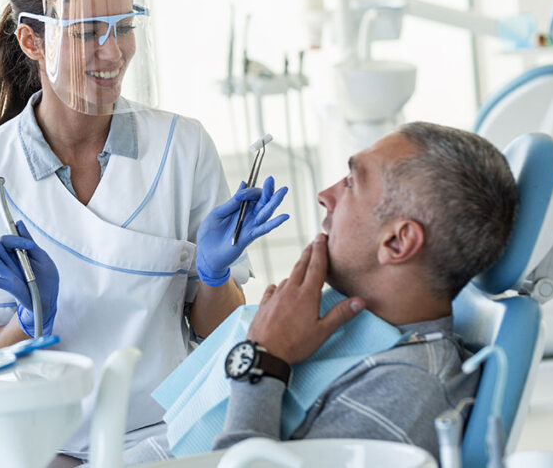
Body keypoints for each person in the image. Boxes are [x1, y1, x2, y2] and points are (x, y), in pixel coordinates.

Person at [0, 0, 289, 460]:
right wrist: (27, 323)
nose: (112, 51)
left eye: (123, 27)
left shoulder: (182, 146)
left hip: (169, 437)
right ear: (32, 41)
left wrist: (215, 276)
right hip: (48, 444)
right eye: (86, 32)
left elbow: (216, 331)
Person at [210, 121, 519, 459]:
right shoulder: (350, 332)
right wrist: (211, 276)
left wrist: (262, 361)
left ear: (398, 242)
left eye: (351, 183)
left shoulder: (404, 394)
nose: (324, 195)